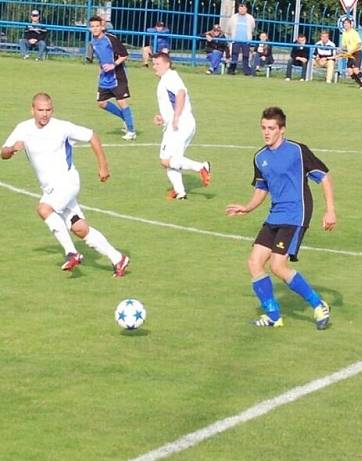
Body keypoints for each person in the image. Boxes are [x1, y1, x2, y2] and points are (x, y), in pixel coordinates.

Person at [225, 107, 336, 330]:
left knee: (277, 264)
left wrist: (330, 210)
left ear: (282, 130)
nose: (266, 132)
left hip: (296, 213)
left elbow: (323, 176)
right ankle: (274, 316)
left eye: (271, 128)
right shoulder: (260, 157)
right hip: (275, 214)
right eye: (264, 128)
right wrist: (247, 208)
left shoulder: (297, 151)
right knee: (254, 262)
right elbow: (261, 188)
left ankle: (318, 304)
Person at [1, 93, 129, 277]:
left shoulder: (62, 127)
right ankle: (118, 258)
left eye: (48, 110)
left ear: (52, 110)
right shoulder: (23, 129)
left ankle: (72, 253)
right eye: (40, 110)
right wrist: (12, 149)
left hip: (67, 182)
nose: (44, 114)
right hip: (51, 188)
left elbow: (92, 136)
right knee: (79, 228)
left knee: (44, 208)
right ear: (32, 110)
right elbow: (3, 153)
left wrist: (103, 166)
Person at [152, 53, 211, 201]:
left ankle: (201, 167)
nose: (154, 67)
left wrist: (176, 117)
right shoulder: (167, 78)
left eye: (158, 64)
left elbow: (181, 93)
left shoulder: (170, 77)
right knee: (173, 160)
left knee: (165, 160)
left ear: (167, 64)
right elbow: (171, 102)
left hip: (179, 124)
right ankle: (180, 192)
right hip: (180, 123)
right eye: (153, 64)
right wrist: (162, 118)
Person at [89, 15, 136, 140]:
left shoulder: (110, 39)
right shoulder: (93, 42)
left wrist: (113, 65)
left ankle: (131, 131)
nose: (95, 29)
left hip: (117, 75)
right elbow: (101, 59)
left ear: (102, 27)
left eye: (97, 26)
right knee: (101, 103)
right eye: (92, 26)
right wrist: (100, 72)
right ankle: (125, 118)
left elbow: (124, 55)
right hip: (105, 77)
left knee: (121, 101)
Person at [339, 17, 362, 89]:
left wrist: (352, 51)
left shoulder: (354, 32)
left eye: (347, 23)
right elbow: (344, 45)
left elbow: (359, 44)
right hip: (350, 54)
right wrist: (341, 50)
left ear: (350, 24)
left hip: (357, 52)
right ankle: (361, 84)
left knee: (356, 70)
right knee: (350, 72)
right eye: (344, 24)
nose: (345, 25)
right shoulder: (344, 34)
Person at [226, 2, 256, 76]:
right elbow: (229, 27)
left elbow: (252, 27)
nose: (242, 10)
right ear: (238, 9)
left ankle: (247, 71)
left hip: (246, 41)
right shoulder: (233, 17)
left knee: (246, 56)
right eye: (240, 8)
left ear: (246, 9)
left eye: (244, 8)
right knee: (234, 55)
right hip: (235, 40)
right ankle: (232, 70)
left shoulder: (250, 18)